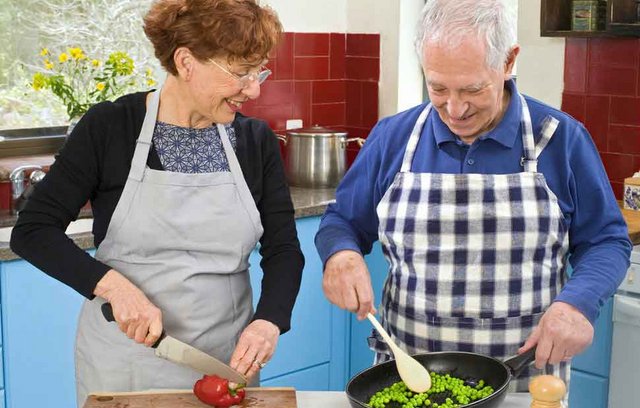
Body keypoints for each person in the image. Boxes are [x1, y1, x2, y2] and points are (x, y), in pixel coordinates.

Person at [315, 0, 631, 393]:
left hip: (525, 380)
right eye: (438, 88)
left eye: (473, 89)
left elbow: (606, 240)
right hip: (407, 378)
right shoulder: (393, 138)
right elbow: (341, 222)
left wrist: (578, 304)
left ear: (509, 61)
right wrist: (341, 256)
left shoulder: (560, 139)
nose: (455, 108)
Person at [10, 0, 304, 405]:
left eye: (259, 72)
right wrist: (113, 287)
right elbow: (33, 232)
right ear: (186, 62)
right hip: (125, 362)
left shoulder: (255, 141)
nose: (254, 89)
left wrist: (269, 321)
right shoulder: (109, 127)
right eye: (240, 73)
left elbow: (284, 250)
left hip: (226, 362)